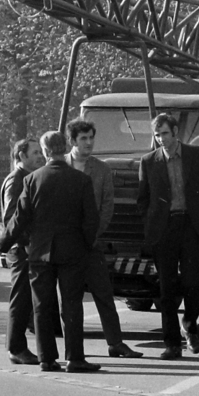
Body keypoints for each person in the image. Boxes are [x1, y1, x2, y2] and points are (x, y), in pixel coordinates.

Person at [0, 129, 101, 373]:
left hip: (40, 253)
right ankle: (75, 358)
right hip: (72, 252)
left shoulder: (32, 180)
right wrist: (86, 245)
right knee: (72, 305)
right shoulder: (81, 180)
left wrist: (0, 245)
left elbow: (18, 219)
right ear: (65, 147)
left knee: (42, 307)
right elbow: (91, 220)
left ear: (45, 152)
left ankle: (46, 359)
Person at [135, 111, 199, 360]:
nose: (161, 138)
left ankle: (190, 327)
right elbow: (143, 199)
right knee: (166, 288)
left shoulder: (197, 155)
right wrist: (152, 223)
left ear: (175, 133)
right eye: (157, 134)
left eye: (164, 133)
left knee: (193, 282)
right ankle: (172, 344)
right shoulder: (148, 161)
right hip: (165, 230)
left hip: (192, 227)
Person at [68, 120, 142, 359]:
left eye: (91, 138)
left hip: (92, 244)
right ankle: (72, 348)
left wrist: (94, 234)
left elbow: (108, 205)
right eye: (83, 139)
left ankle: (115, 343)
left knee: (104, 294)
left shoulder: (101, 169)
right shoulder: (59, 166)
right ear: (73, 141)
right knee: (70, 299)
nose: (89, 143)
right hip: (66, 246)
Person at [0, 138, 42, 363]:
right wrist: (25, 242)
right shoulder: (16, 180)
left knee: (26, 300)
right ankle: (16, 349)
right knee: (20, 300)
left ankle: (20, 346)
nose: (40, 156)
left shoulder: (27, 177)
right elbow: (12, 218)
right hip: (21, 249)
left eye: (41, 152)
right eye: (35, 152)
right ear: (21, 156)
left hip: (27, 247)